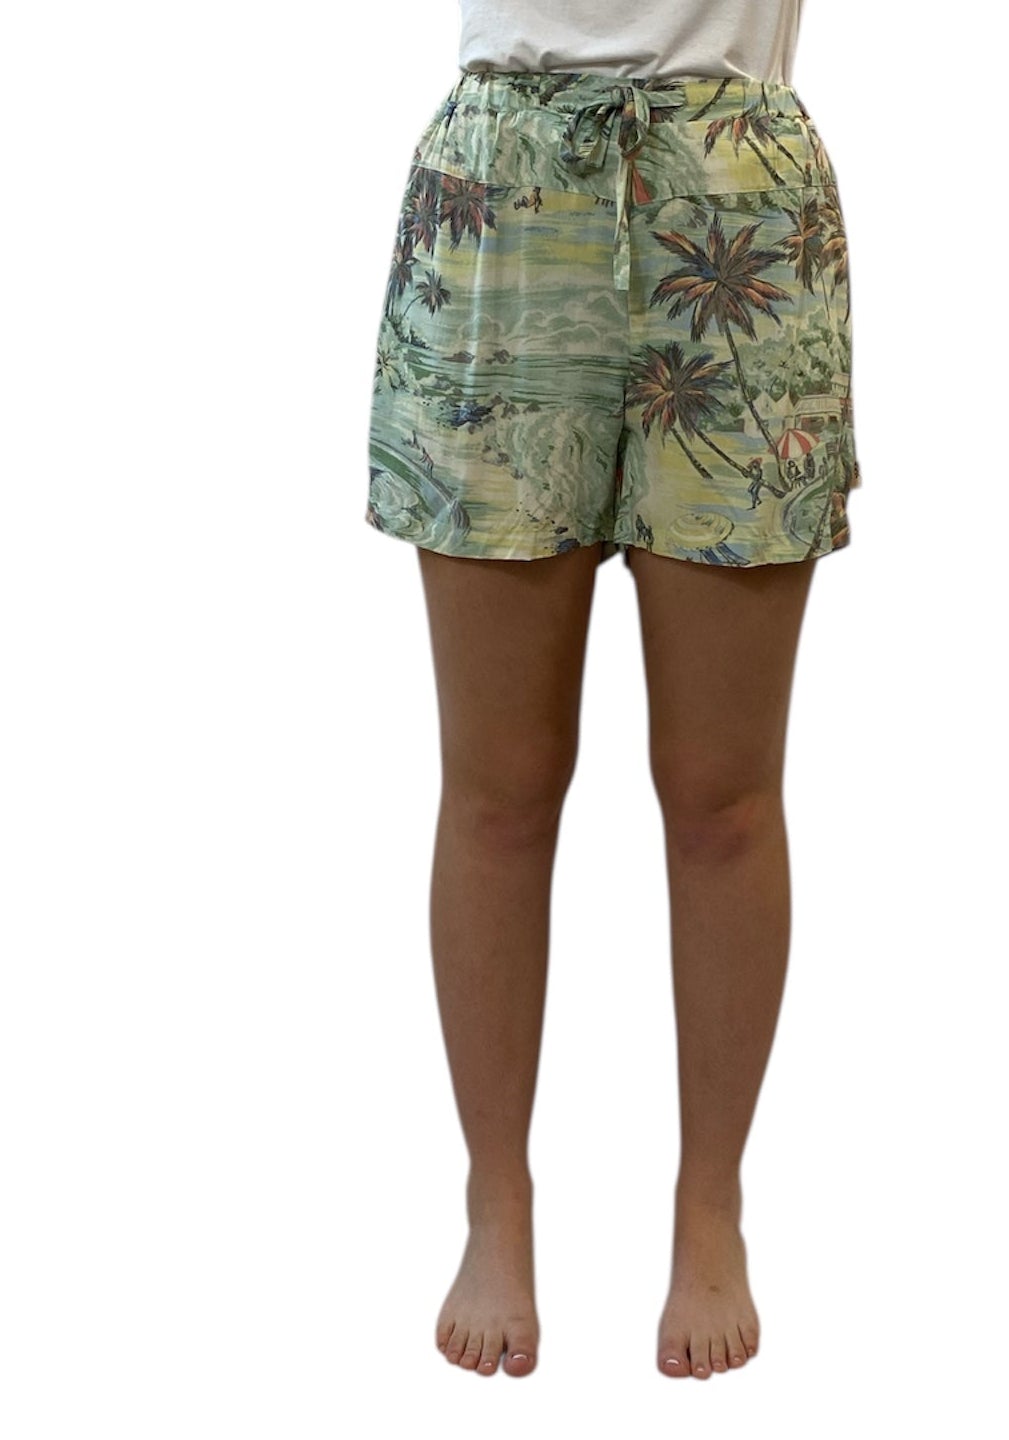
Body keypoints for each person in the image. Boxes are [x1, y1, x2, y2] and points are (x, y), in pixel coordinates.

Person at [366, 0, 861, 1381]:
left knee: (723, 794)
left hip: (736, 184)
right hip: (507, 188)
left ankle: (713, 1204)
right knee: (498, 787)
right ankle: (496, 1197)